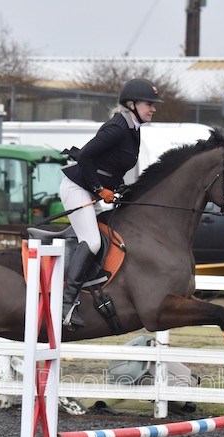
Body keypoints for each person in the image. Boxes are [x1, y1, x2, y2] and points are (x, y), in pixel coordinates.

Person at [59, 77, 162, 328]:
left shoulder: (133, 129)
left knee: (107, 230)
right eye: (149, 104)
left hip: (90, 190)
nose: (153, 109)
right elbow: (84, 157)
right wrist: (98, 188)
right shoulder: (117, 127)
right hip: (77, 188)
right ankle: (65, 304)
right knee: (92, 241)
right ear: (132, 104)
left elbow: (111, 167)